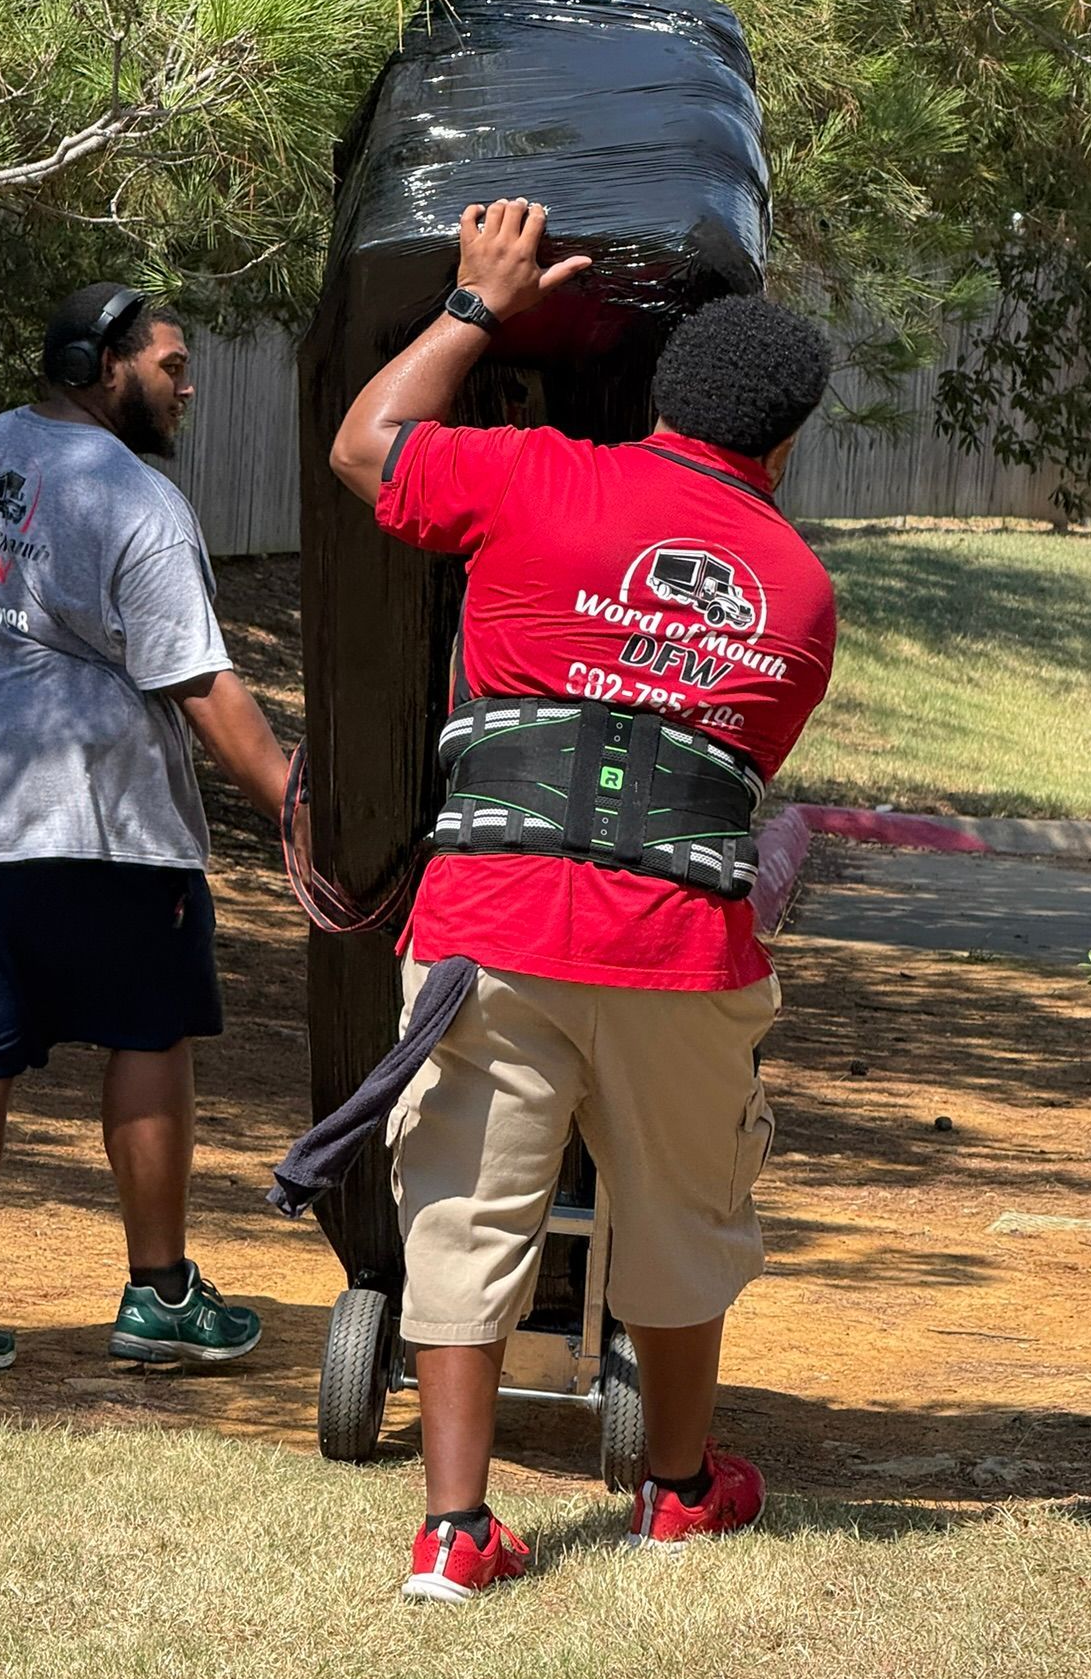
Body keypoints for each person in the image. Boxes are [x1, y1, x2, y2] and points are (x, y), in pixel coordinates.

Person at [328, 198, 837, 1600]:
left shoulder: (539, 479)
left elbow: (363, 449)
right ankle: (678, 1493)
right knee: (684, 1218)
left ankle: (455, 1529)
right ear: (784, 444)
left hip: (490, 928)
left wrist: (477, 307)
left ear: (660, 396)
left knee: (466, 1211)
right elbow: (731, 764)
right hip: (680, 947)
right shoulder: (796, 592)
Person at [0, 282, 291, 1386]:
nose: (188, 388)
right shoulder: (133, 497)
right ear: (106, 368)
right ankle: (161, 1297)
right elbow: (199, 680)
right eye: (172, 367)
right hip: (92, 824)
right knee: (148, 1035)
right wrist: (295, 809)